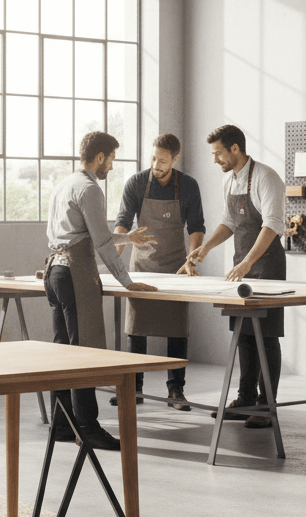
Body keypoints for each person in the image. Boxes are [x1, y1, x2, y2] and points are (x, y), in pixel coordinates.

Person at [44, 131, 158, 450]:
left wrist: (128, 238)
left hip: (55, 272)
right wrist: (128, 281)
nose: (111, 166)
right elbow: (101, 242)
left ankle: (62, 425)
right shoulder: (90, 188)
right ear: (99, 158)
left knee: (64, 350)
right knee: (84, 351)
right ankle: (88, 426)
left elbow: (88, 233)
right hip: (74, 274)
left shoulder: (65, 184)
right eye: (111, 159)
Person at [187, 125, 285, 428]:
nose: (215, 159)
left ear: (234, 149)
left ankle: (267, 404)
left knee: (266, 336)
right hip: (241, 265)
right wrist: (205, 248)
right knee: (243, 333)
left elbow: (272, 225)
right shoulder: (228, 180)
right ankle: (245, 398)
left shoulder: (266, 177)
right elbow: (229, 221)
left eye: (218, 153)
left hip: (266, 265)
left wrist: (246, 263)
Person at [112, 133, 205, 410]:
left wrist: (192, 259)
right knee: (136, 329)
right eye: (153, 158)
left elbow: (197, 226)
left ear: (175, 160)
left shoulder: (188, 186)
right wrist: (114, 260)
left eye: (163, 160)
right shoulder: (137, 183)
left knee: (177, 329)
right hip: (141, 267)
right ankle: (134, 388)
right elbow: (122, 223)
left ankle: (175, 391)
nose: (156, 164)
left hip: (176, 267)